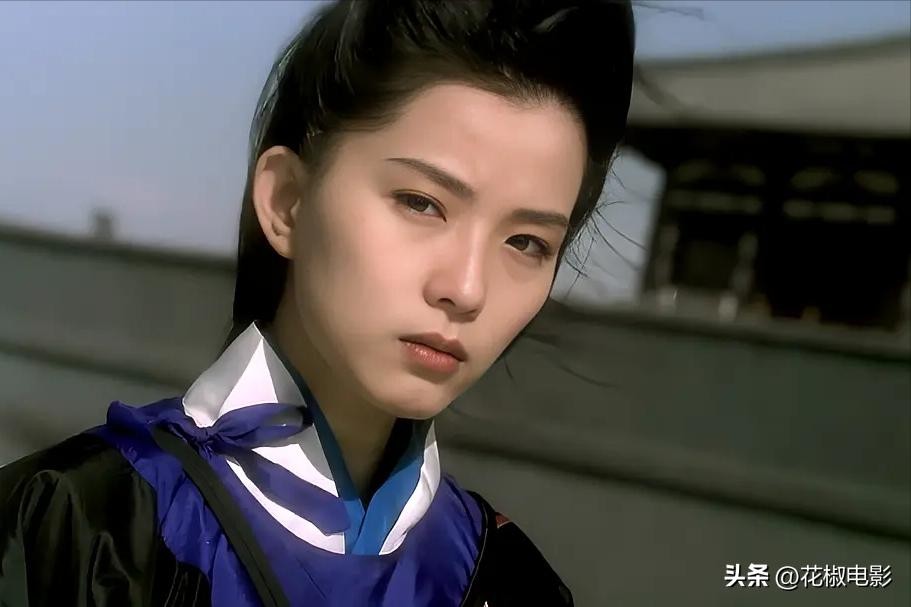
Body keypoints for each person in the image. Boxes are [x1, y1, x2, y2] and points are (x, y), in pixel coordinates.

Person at [0, 1, 635, 605]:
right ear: (286, 202)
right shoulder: (84, 527)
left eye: (526, 242)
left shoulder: (512, 581)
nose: (467, 289)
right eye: (421, 203)